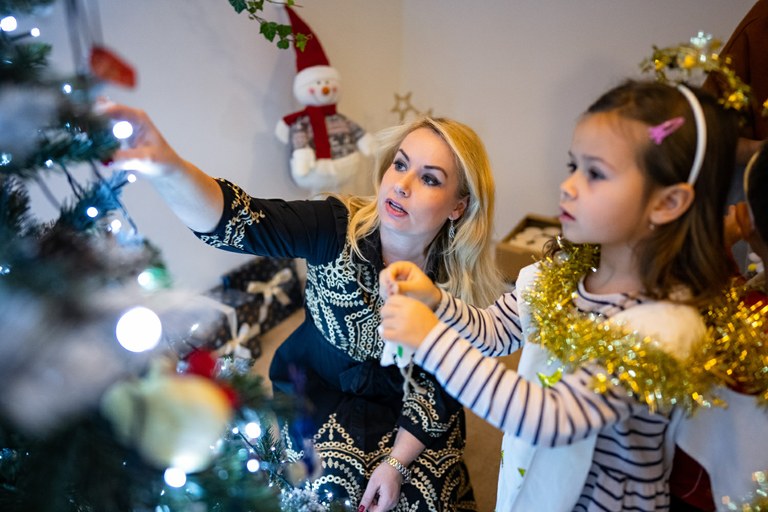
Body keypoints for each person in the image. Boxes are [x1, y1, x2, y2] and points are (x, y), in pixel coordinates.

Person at [103, 102, 503, 512]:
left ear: (459, 206)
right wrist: (167, 164)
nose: (402, 185)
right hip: (322, 391)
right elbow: (240, 220)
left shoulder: (458, 290)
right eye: (400, 165)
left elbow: (440, 388)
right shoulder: (334, 224)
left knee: (424, 502)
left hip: (414, 408)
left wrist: (396, 464)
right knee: (330, 497)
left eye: (430, 179)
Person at [379, 79, 744, 511]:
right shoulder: (563, 274)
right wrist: (437, 303)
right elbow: (497, 332)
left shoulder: (664, 326)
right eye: (573, 166)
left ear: (666, 204)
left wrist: (430, 341)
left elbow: (551, 417)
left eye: (595, 174)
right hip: (531, 479)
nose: (568, 186)